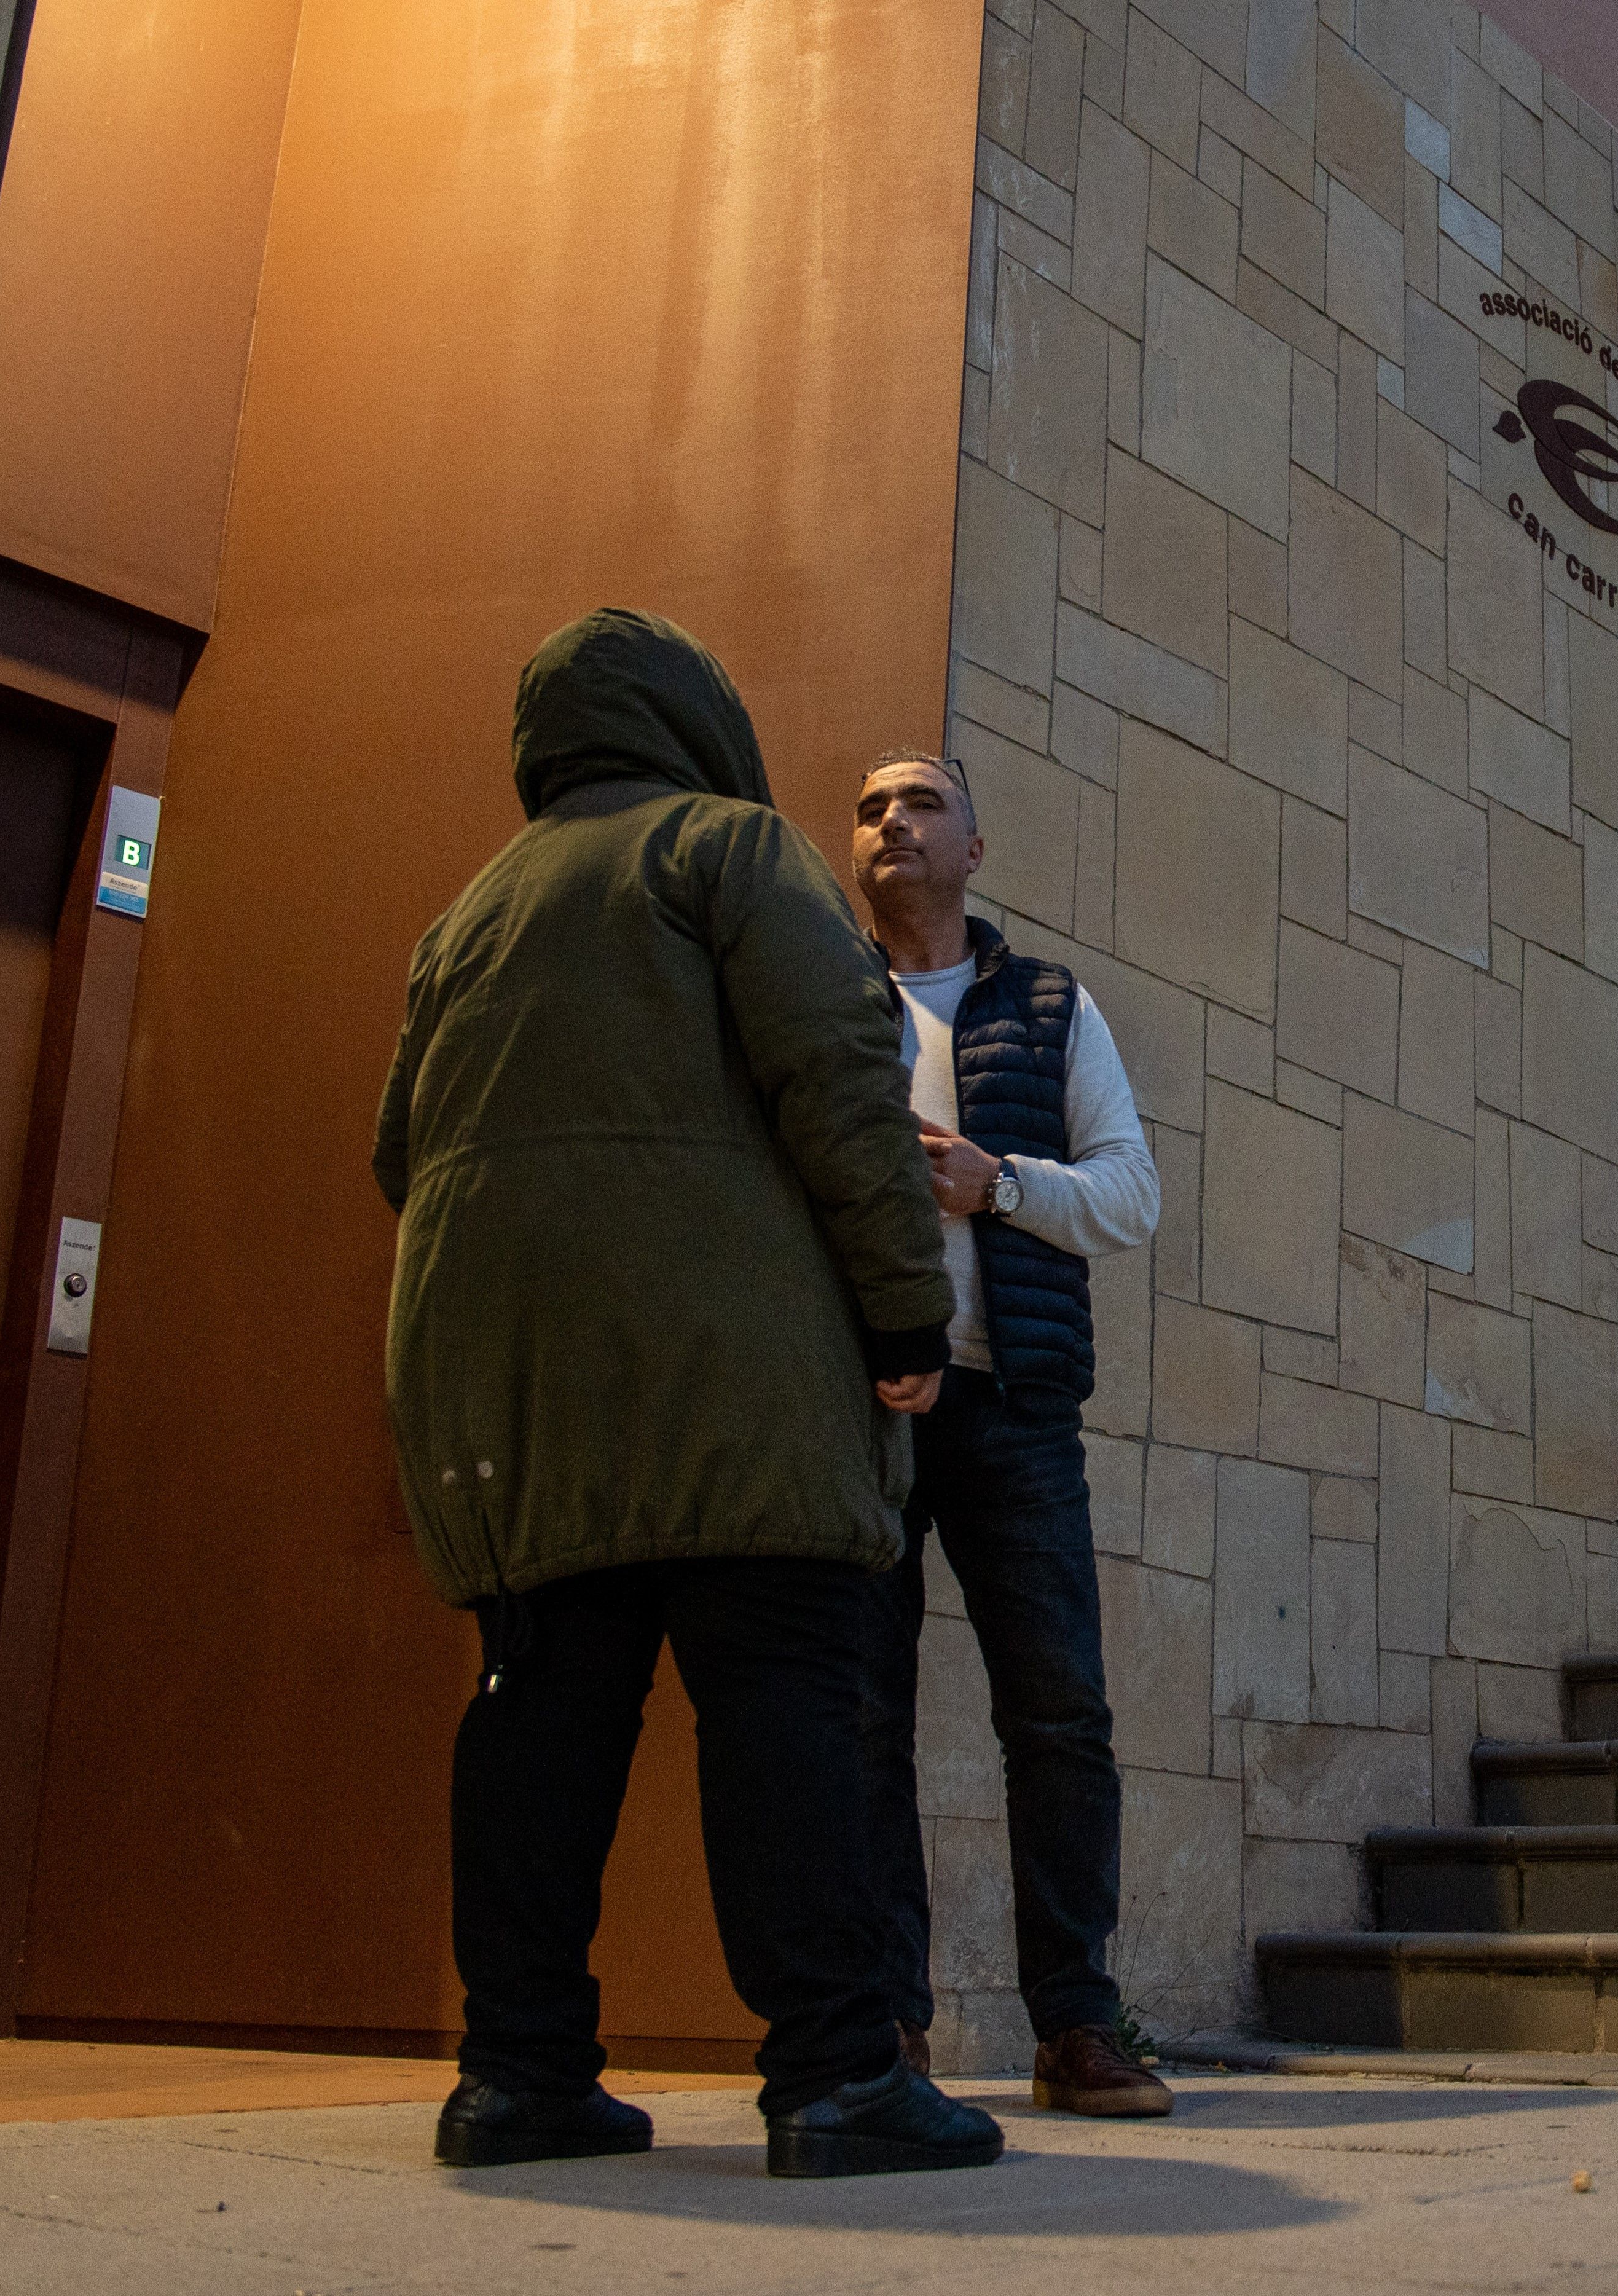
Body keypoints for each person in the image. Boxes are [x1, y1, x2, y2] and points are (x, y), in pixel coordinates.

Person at [374, 613, 1002, 2179]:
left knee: (539, 1709)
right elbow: (844, 1089)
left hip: (507, 1388)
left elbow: (400, 1151)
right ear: (694, 719)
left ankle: (517, 2075)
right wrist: (907, 1308)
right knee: (785, 1697)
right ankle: (839, 2072)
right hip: (733, 1375)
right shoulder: (727, 850)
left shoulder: (468, 915)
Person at [848, 750, 1172, 2117]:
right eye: (868, 806)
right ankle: (884, 2033)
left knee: (1059, 1715)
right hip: (860, 1409)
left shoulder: (1049, 1003)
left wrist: (1000, 1184)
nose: (893, 822)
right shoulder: (814, 995)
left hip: (1019, 1406)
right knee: (858, 1718)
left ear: (975, 844)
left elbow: (1131, 1194)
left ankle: (1077, 2026)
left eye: (920, 801)